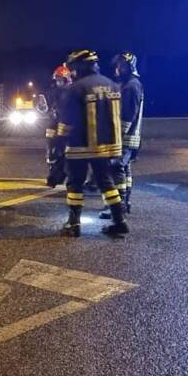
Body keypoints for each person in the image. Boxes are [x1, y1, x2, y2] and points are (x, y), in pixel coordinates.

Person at [56, 49, 129, 238]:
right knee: (107, 183)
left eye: (73, 69)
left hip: (79, 146)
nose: (72, 73)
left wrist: (58, 147)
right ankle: (120, 221)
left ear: (80, 67)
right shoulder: (112, 85)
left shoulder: (76, 88)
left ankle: (73, 224)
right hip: (106, 147)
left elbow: (66, 122)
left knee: (75, 185)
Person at [101, 52, 144, 217]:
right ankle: (124, 204)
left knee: (116, 167)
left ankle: (118, 207)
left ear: (129, 67)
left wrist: (116, 136)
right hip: (128, 137)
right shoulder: (129, 84)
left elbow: (127, 115)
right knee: (124, 169)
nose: (118, 68)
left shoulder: (132, 86)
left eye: (121, 65)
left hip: (125, 137)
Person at [45, 64, 72, 187]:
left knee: (63, 154)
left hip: (65, 129)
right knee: (52, 153)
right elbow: (47, 107)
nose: (58, 82)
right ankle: (54, 175)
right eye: (57, 80)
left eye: (61, 80)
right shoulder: (53, 91)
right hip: (53, 126)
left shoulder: (71, 92)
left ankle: (58, 176)